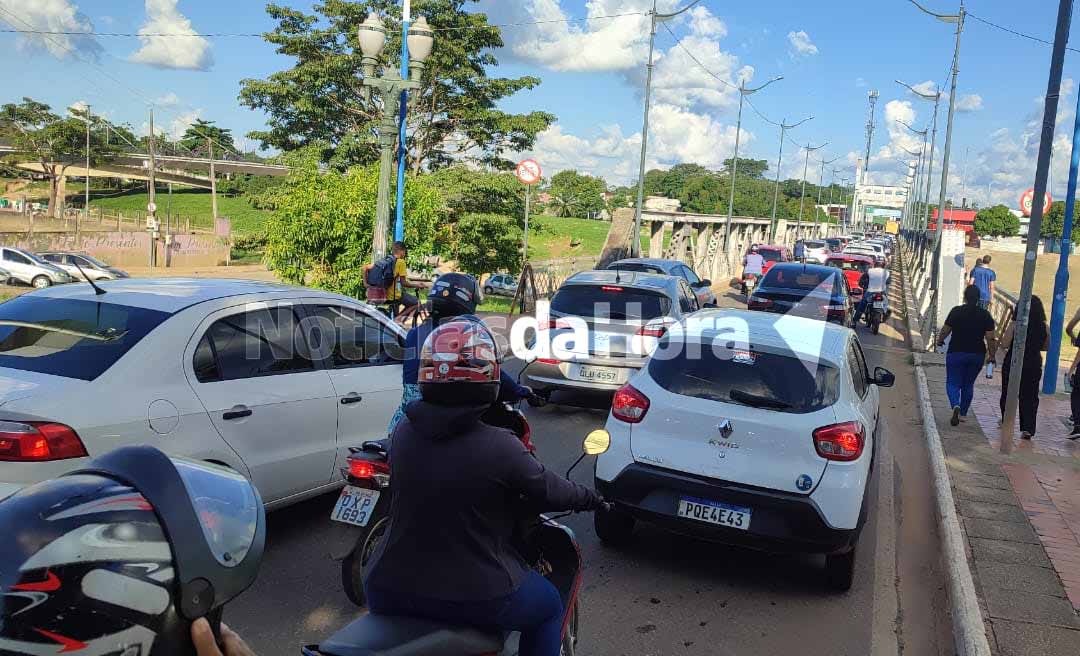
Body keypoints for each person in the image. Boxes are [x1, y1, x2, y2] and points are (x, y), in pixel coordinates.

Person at [364, 319, 605, 656]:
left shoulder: (403, 432)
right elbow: (550, 490)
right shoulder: (499, 445)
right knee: (549, 606)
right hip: (477, 593)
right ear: (488, 377)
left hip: (386, 586)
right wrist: (592, 498)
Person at [388, 271, 531, 433]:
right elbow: (488, 371)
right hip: (449, 424)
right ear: (466, 302)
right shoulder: (463, 336)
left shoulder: (415, 333)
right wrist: (519, 391)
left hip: (404, 423)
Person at [936, 285, 996, 427]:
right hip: (977, 355)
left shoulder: (956, 311)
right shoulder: (985, 315)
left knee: (952, 382)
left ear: (965, 297)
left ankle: (955, 405)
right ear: (978, 299)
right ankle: (963, 414)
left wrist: (940, 340)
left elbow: (945, 330)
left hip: (956, 352)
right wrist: (992, 355)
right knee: (968, 384)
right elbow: (990, 338)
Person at [997, 295, 1049, 440]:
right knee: (1030, 396)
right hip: (1033, 362)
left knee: (1008, 392)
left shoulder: (1015, 324)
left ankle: (1006, 420)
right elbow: (1046, 346)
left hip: (1014, 361)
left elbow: (1005, 344)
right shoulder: (1044, 327)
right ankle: (1028, 428)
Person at [852, 261, 890, 326]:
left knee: (862, 305)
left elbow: (862, 281)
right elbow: (888, 282)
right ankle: (884, 317)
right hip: (882, 293)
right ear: (883, 266)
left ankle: (854, 321)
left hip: (870, 291)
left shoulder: (869, 271)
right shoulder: (887, 272)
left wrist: (862, 285)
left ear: (875, 265)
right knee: (886, 305)